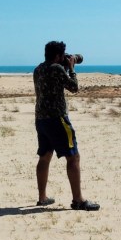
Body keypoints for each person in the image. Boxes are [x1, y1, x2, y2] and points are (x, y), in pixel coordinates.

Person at [33, 41, 100, 211]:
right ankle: (78, 200)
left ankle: (42, 197)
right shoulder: (57, 69)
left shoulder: (38, 69)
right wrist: (71, 68)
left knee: (44, 156)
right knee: (73, 156)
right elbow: (74, 87)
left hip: (41, 119)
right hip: (58, 119)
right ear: (58, 56)